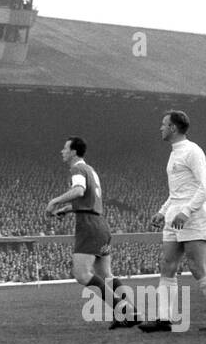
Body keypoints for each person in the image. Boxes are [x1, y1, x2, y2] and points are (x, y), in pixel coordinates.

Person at [141, 110, 206, 332]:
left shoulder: (193, 151)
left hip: (192, 216)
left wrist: (186, 211)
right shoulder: (174, 153)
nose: (161, 128)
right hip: (175, 216)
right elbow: (178, 191)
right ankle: (164, 319)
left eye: (164, 124)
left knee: (197, 267)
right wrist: (163, 211)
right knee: (167, 265)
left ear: (173, 128)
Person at [46, 137, 139, 328]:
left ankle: (124, 310)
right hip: (100, 224)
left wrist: (55, 201)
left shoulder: (77, 169)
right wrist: (69, 209)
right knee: (105, 274)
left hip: (89, 226)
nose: (61, 151)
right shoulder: (90, 170)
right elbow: (88, 199)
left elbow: (79, 190)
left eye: (64, 148)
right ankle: (132, 311)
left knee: (81, 273)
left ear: (73, 152)